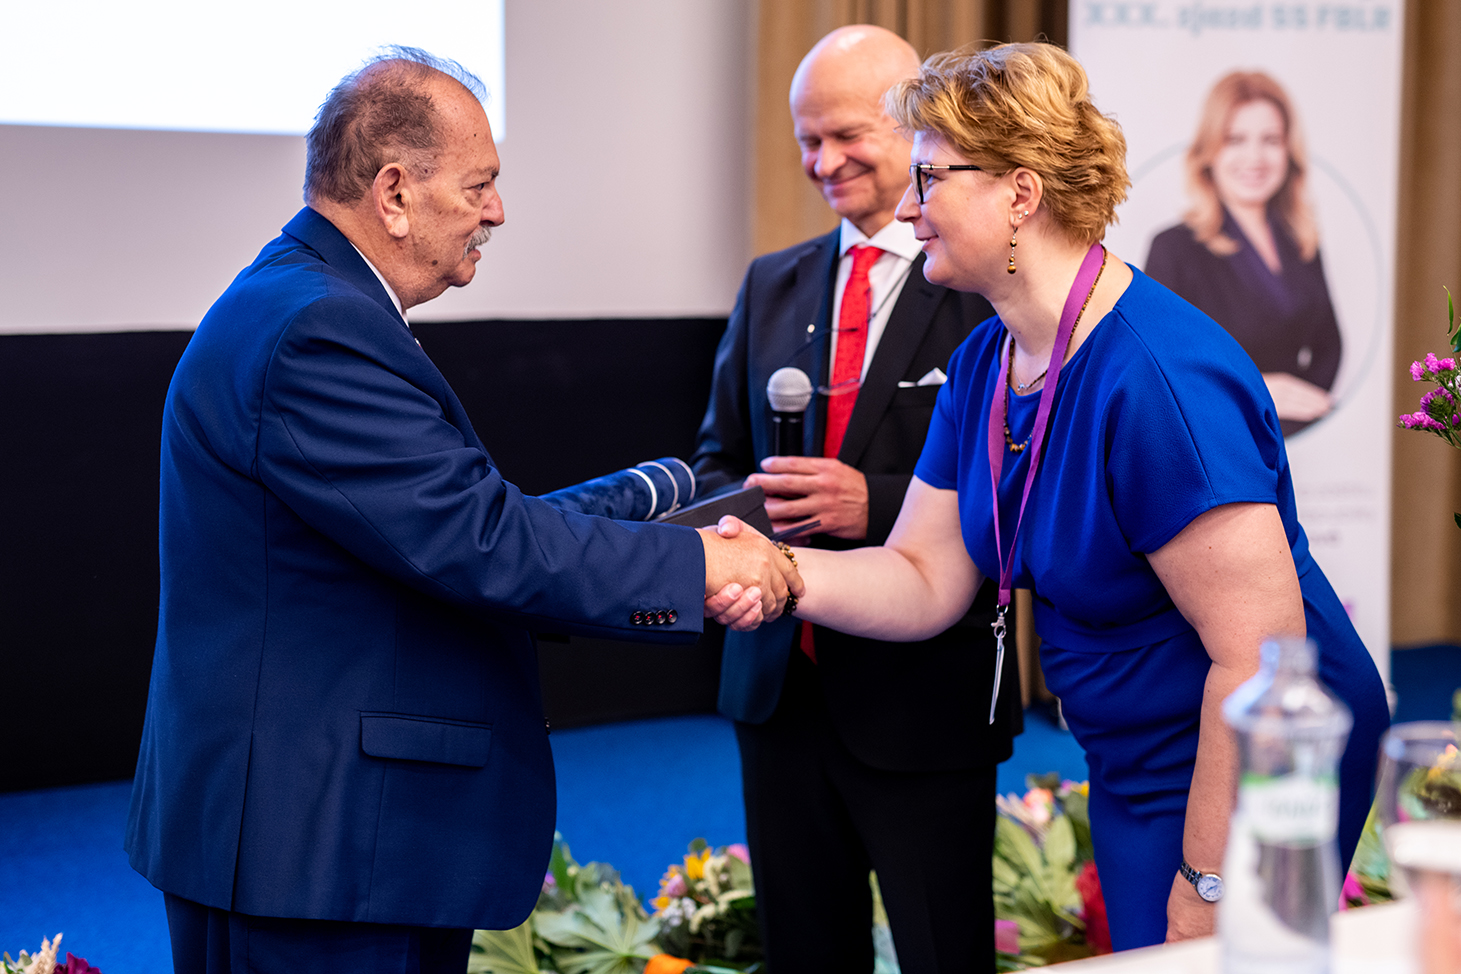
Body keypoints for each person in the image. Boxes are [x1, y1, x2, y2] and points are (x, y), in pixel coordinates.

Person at [123, 48, 800, 974]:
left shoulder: (305, 300)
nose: (498, 211)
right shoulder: (319, 327)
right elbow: (479, 542)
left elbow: (435, 531)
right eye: (479, 185)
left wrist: (652, 495)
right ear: (395, 192)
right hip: (315, 851)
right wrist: (704, 565)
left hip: (322, 836)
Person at [727, 42, 1389, 951]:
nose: (907, 209)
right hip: (1130, 751)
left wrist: (1206, 886)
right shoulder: (986, 361)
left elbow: (1258, 664)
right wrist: (775, 570)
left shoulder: (1157, 380)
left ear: (1020, 194)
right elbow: (922, 577)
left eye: (927, 179)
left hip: (1247, 756)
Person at [692, 25, 1019, 974]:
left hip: (923, 699)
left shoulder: (984, 288)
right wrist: (739, 523)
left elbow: (1018, 486)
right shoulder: (771, 283)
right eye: (807, 140)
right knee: (804, 954)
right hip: (777, 688)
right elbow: (717, 457)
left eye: (844, 135)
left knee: (941, 951)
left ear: (910, 127)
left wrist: (871, 505)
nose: (821, 161)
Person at [1145, 71, 1342, 436]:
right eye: (1235, 140)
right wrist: (1256, 393)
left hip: (1290, 439)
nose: (1255, 157)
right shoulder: (1173, 249)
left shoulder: (1302, 240)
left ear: (1289, 151)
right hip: (1211, 445)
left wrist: (1296, 412)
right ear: (1209, 152)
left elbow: (1329, 345)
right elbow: (1157, 366)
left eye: (1271, 140)